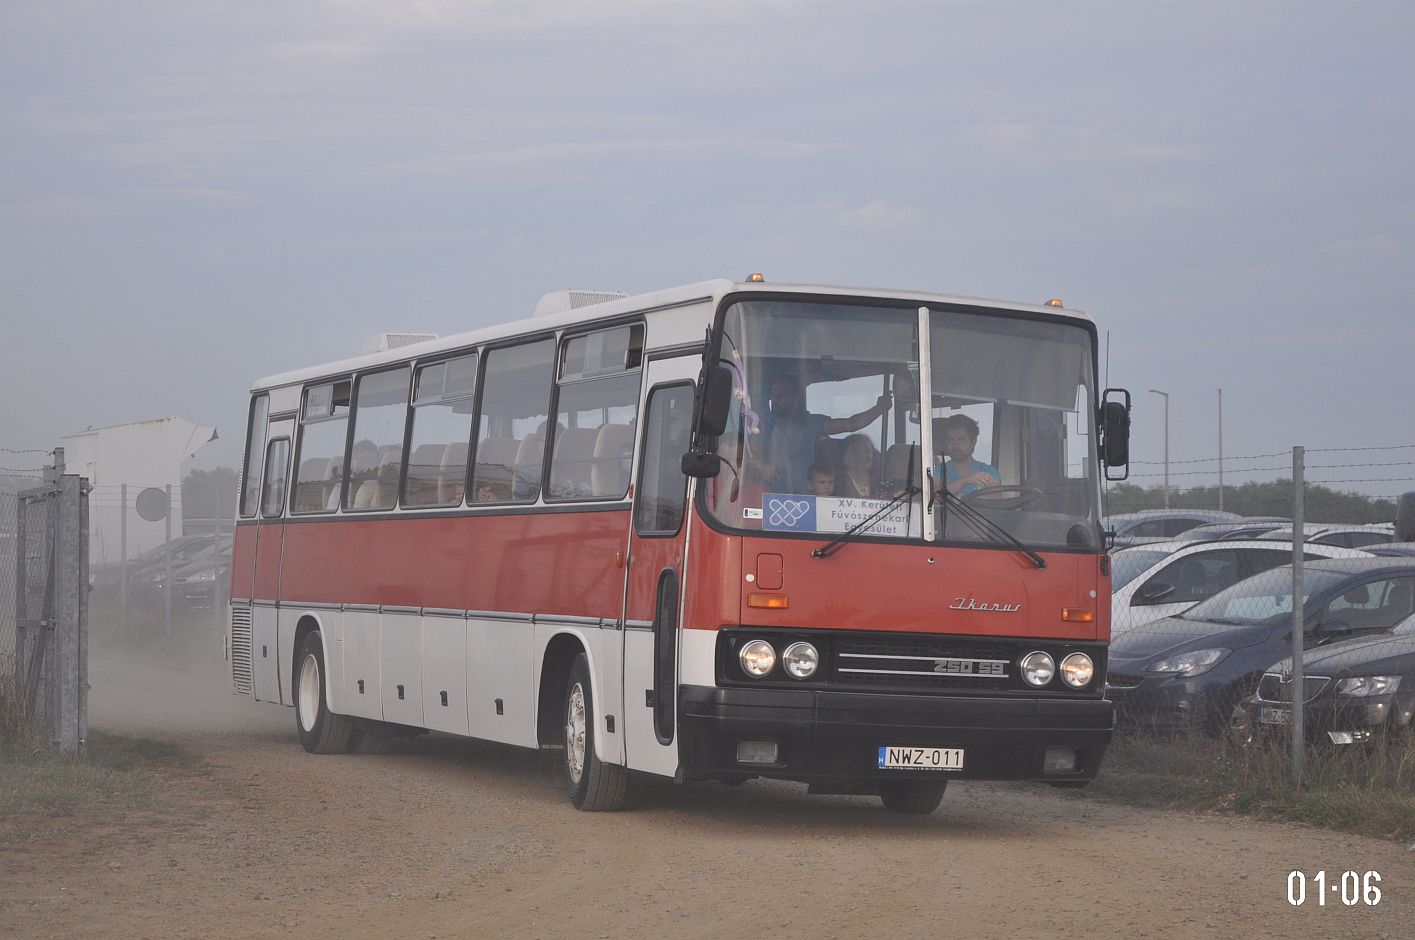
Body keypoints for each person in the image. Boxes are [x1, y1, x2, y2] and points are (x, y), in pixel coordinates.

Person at [754, 374, 891, 494]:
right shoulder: (762, 424)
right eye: (773, 395)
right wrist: (759, 465)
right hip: (769, 497)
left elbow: (850, 424)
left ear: (795, 398)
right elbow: (741, 455)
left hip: (807, 498)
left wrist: (878, 409)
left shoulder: (810, 423)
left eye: (781, 395)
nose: (775, 400)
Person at [937, 414, 999, 496]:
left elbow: (993, 501)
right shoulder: (938, 471)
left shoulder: (989, 472)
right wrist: (965, 480)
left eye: (961, 440)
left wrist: (961, 500)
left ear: (973, 442)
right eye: (950, 440)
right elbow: (936, 498)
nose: (955, 445)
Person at [833, 434, 879, 498]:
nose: (867, 456)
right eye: (858, 451)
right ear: (849, 455)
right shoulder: (837, 481)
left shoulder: (879, 480)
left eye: (868, 451)